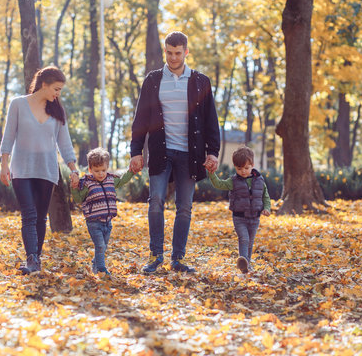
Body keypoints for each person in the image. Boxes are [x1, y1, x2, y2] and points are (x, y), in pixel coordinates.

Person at [130, 31, 220, 274]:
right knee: (156, 201)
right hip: (161, 151)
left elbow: (212, 119)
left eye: (178, 53)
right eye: (169, 52)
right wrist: (136, 151)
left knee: (184, 207)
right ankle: (156, 255)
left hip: (190, 156)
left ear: (186, 52)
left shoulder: (201, 81)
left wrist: (213, 152)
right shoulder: (153, 79)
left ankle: (177, 258)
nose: (173, 57)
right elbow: (140, 119)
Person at [0, 66, 79, 275]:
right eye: (56, 89)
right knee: (29, 214)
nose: (58, 94)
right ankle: (31, 259)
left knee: (41, 216)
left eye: (60, 90)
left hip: (46, 169)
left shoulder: (57, 111)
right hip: (22, 168)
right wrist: (4, 164)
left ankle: (36, 259)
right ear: (44, 84)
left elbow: (65, 142)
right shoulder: (18, 104)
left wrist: (73, 168)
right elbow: (8, 136)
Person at [70, 148, 135, 276]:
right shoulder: (86, 183)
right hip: (94, 223)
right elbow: (78, 199)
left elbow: (122, 180)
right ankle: (101, 270)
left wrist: (131, 172)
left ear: (107, 167)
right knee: (99, 246)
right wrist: (74, 187)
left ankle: (95, 263)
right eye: (97, 171)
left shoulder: (110, 180)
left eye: (103, 170)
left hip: (107, 222)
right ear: (90, 169)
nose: (101, 174)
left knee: (103, 247)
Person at [207, 146, 271, 274]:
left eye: (246, 168)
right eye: (239, 168)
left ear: (252, 165)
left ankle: (247, 264)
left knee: (250, 242)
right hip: (239, 218)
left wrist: (267, 208)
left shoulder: (259, 180)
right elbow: (219, 184)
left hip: (255, 218)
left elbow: (266, 196)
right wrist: (211, 173)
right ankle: (243, 262)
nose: (243, 171)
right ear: (235, 167)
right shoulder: (233, 181)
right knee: (244, 239)